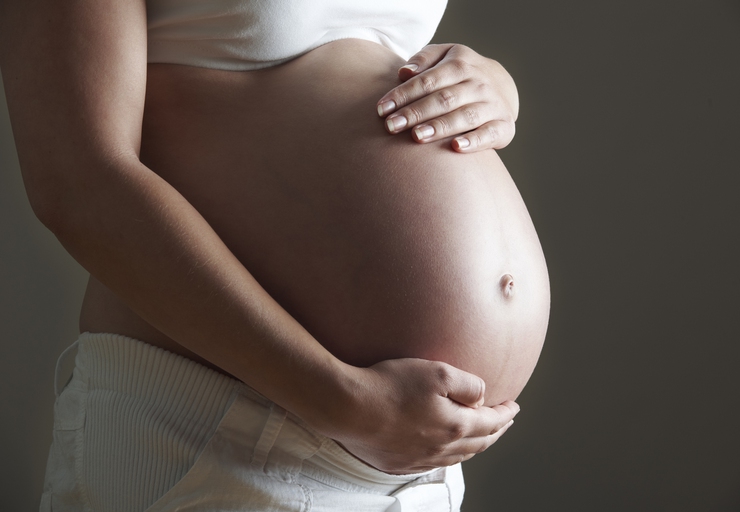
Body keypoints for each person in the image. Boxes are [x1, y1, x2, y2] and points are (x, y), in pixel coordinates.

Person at [1, 0, 550, 510]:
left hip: (407, 466)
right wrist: (342, 402)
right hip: (219, 433)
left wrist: (491, 89)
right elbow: (78, 179)